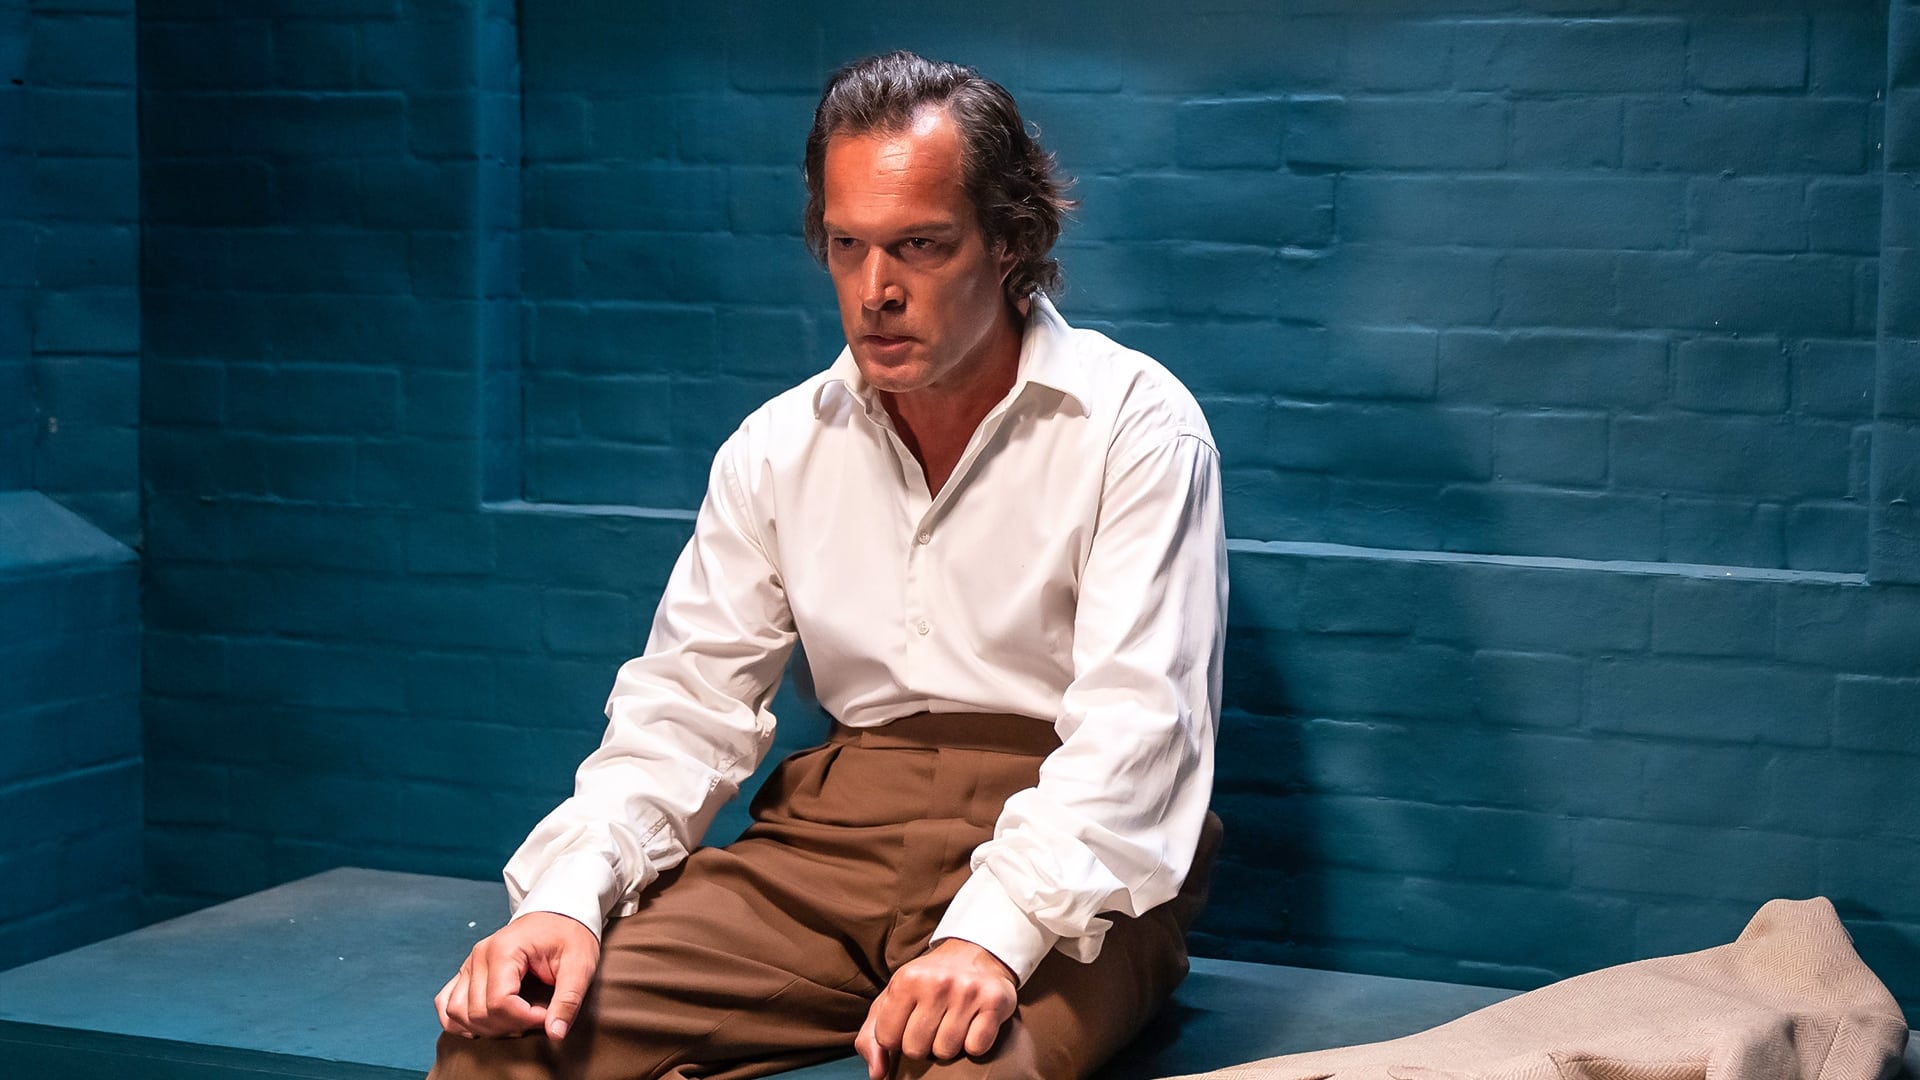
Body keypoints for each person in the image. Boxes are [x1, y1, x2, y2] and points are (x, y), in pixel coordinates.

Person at [431, 50, 1227, 1080]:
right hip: (830, 845)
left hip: (1071, 858)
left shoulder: (1136, 427)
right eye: (848, 246)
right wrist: (564, 901)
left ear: (1009, 242)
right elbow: (684, 714)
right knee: (511, 1048)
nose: (876, 290)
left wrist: (990, 935)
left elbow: (1139, 735)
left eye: (920, 246)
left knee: (975, 1071)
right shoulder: (775, 448)